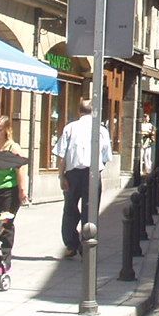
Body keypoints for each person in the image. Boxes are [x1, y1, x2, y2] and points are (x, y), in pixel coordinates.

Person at [53, 99, 112, 258]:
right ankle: (87, 246)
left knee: (69, 209)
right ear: (94, 112)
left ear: (79, 112)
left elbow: (62, 156)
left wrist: (61, 176)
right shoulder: (101, 130)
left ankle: (71, 244)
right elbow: (106, 156)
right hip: (93, 174)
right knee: (90, 211)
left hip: (73, 174)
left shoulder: (70, 128)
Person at [0, 115, 28, 268]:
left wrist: (22, 191)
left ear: (7, 130)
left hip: (8, 191)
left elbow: (21, 169)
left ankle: (3, 260)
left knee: (5, 224)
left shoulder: (12, 147)